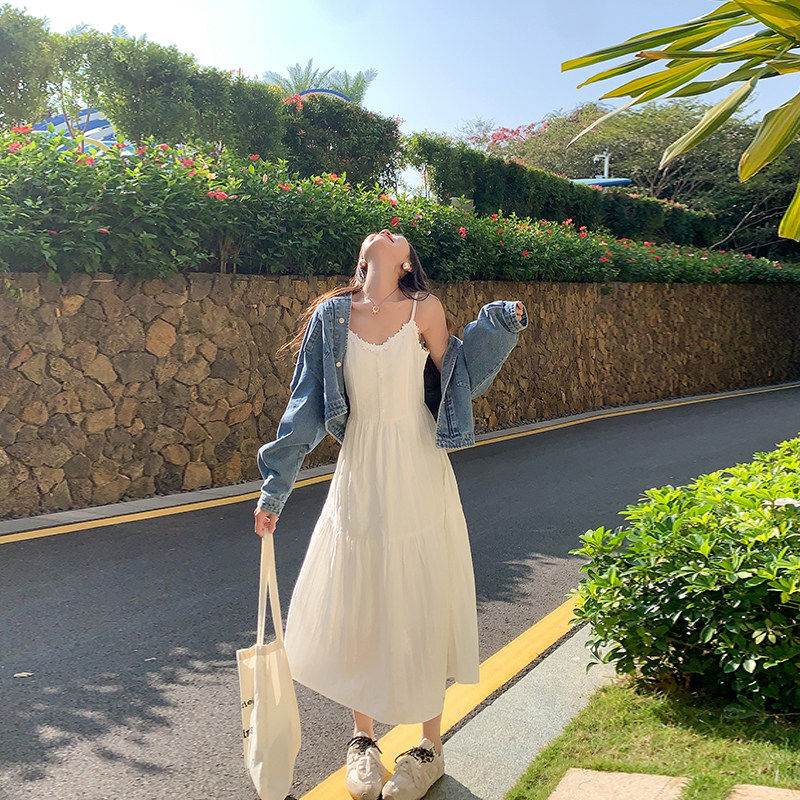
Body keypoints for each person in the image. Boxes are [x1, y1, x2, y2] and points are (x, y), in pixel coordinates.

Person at [253, 229, 527, 800]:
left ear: (405, 263)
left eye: (398, 237)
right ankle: (364, 741)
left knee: (422, 593)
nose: (388, 231)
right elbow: (305, 406)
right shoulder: (332, 316)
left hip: (419, 463)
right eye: (380, 233)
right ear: (364, 257)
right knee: (362, 596)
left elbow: (459, 378)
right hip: (360, 468)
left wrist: (500, 323)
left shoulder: (426, 308)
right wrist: (274, 490)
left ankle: (428, 747)